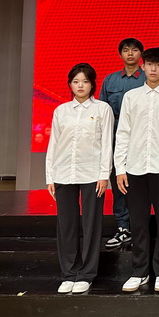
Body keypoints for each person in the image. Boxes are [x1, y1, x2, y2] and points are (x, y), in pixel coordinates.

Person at [114, 47, 159, 293]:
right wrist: (120, 168)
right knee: (138, 222)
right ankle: (139, 271)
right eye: (150, 64)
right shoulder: (131, 97)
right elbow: (123, 133)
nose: (154, 69)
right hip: (134, 168)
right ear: (143, 66)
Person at [46, 63, 113, 294]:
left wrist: (104, 174)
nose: (80, 86)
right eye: (76, 82)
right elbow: (54, 144)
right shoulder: (61, 111)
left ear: (92, 84)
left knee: (91, 224)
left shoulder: (102, 109)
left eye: (85, 81)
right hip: (64, 172)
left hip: (92, 174)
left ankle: (86, 274)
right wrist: (50, 176)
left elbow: (107, 144)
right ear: (70, 85)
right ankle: (69, 273)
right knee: (66, 225)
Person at [100, 37, 145, 250]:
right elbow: (103, 112)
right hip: (116, 135)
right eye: (126, 50)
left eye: (134, 50)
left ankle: (139, 228)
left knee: (140, 185)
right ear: (120, 54)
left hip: (142, 135)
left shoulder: (148, 78)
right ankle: (122, 227)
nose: (130, 54)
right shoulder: (110, 80)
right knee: (119, 183)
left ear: (140, 54)